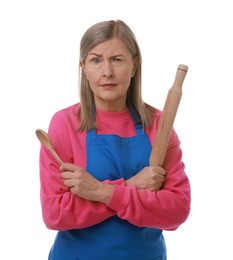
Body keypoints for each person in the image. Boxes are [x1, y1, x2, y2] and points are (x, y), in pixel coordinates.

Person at [38, 19, 191, 260]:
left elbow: (176, 210)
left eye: (117, 60)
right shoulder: (65, 124)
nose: (107, 71)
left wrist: (100, 191)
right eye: (96, 60)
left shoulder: (159, 126)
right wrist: (131, 186)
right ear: (83, 67)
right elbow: (55, 214)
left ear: (133, 66)